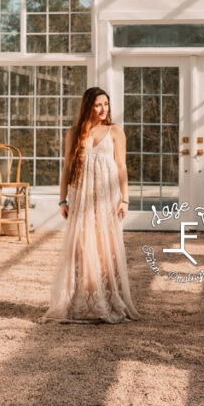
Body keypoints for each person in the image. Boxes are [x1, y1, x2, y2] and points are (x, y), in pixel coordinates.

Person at [38, 87, 140, 324]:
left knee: (106, 248)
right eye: (97, 105)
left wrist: (125, 199)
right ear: (88, 106)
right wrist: (62, 200)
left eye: (106, 104)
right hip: (81, 196)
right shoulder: (74, 133)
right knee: (81, 247)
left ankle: (107, 298)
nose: (103, 109)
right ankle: (79, 301)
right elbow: (66, 168)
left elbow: (122, 167)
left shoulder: (115, 131)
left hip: (106, 197)